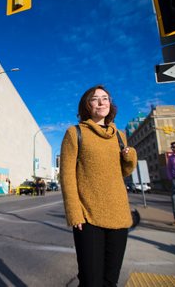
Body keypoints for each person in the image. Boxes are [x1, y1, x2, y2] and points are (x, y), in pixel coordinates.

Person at [60, 85, 137, 287]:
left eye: (105, 98)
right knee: (90, 280)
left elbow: (122, 172)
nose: (101, 102)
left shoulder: (119, 135)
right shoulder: (75, 132)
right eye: (95, 99)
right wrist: (74, 211)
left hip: (119, 214)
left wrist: (130, 158)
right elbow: (66, 175)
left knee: (110, 280)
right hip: (88, 216)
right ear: (87, 105)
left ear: (110, 103)